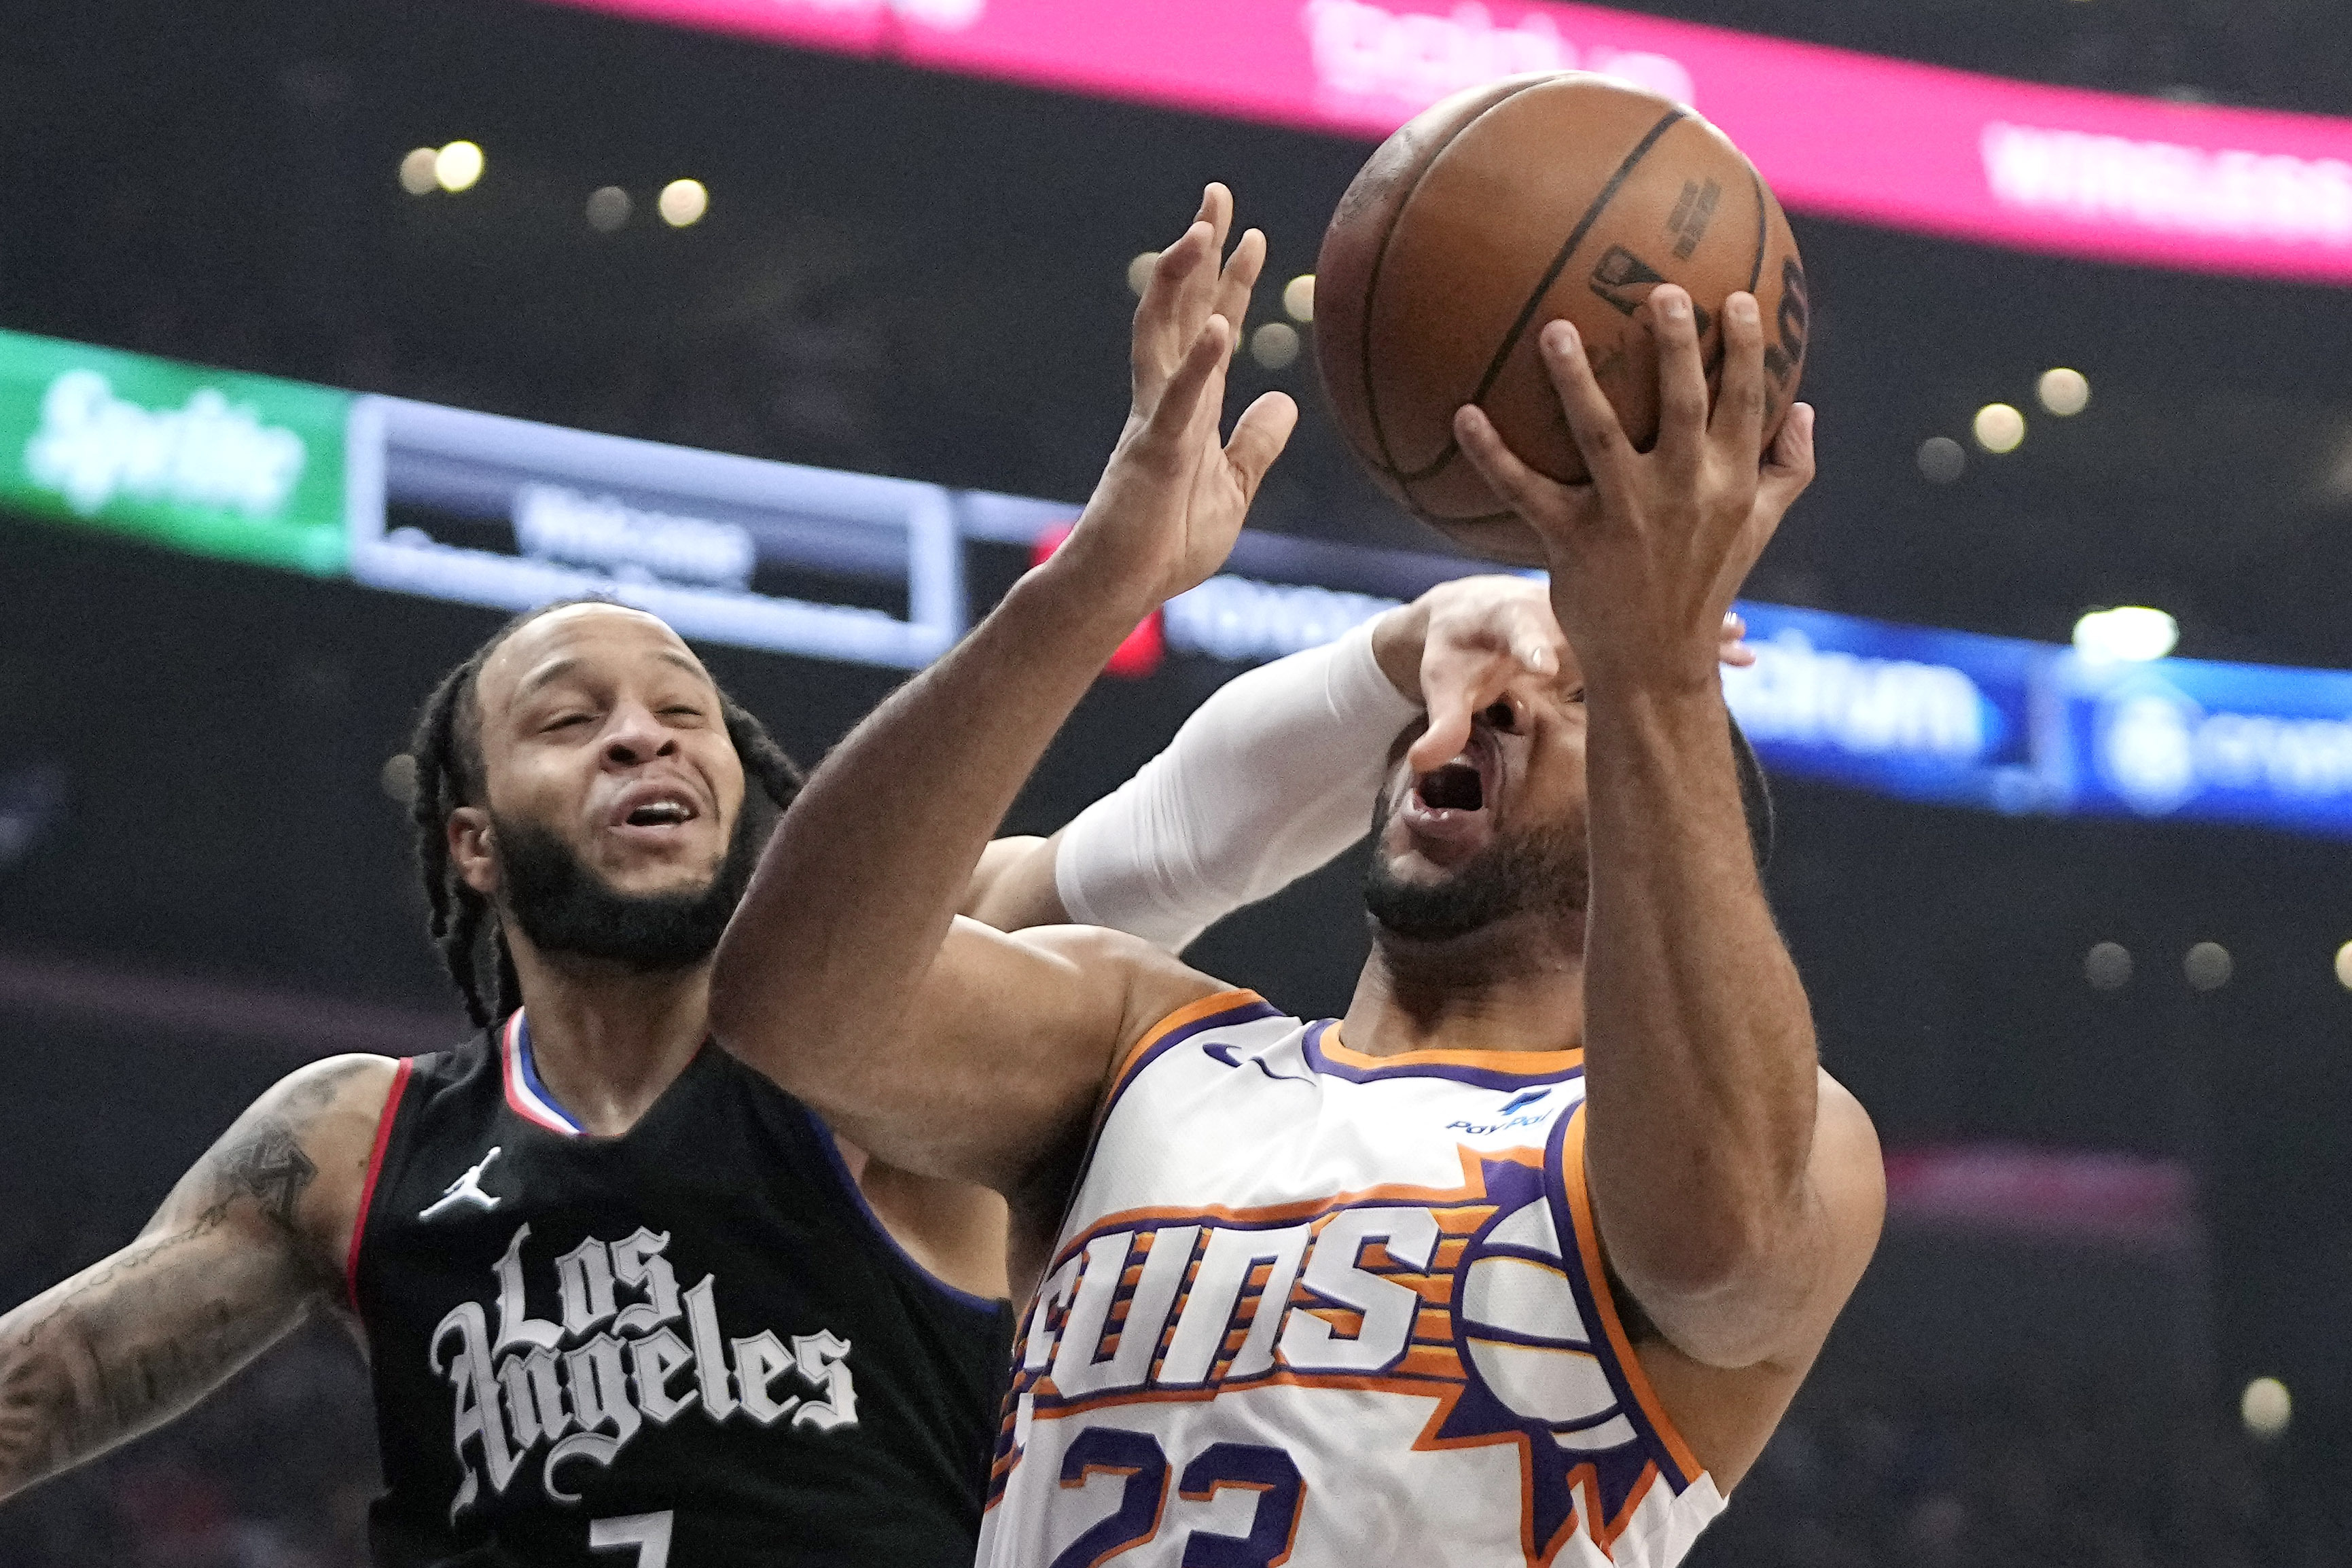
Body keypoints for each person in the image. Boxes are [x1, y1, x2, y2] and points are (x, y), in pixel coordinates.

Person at [0, 188, 1660, 1567]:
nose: (648, 743)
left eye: (685, 716)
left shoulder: (907, 1020)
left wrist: (1404, 648)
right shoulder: (356, 1142)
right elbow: (56, 1376)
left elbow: (1181, 833)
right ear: (473, 839)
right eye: (574, 722)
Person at [709, 192, 1885, 1567]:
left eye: (1566, 707)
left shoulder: (1768, 1139)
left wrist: (1658, 672)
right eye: (1454, 700)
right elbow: (794, 999)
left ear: (1661, 808)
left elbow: (1719, 1251)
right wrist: (1092, 587)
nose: (1484, 712)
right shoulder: (1131, 1043)